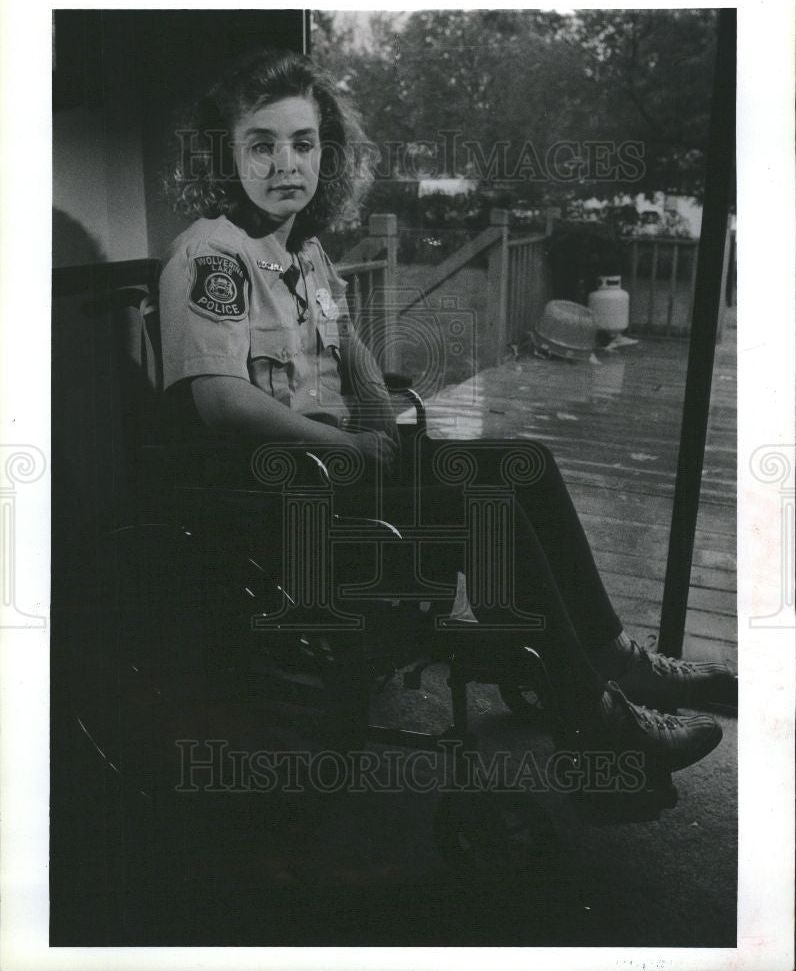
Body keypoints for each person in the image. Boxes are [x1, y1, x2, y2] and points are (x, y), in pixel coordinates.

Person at [158, 48, 736, 782]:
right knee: (482, 500)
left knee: (524, 463)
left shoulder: (299, 250)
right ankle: (596, 725)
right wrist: (348, 450)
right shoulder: (212, 257)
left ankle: (613, 660)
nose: (285, 164)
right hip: (279, 490)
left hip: (337, 465)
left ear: (325, 153)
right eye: (261, 145)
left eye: (303, 144)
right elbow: (221, 402)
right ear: (223, 154)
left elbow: (345, 343)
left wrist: (375, 413)